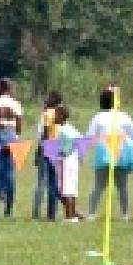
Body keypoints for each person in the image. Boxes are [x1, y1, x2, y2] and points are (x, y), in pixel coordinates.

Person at [86, 87, 133, 220]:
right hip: (122, 153)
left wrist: (89, 146)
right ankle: (124, 214)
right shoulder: (124, 116)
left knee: (99, 186)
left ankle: (91, 213)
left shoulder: (98, 117)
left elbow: (90, 136)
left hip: (103, 153)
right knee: (122, 186)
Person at [0, 79, 23, 218]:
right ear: (10, 88)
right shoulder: (16, 104)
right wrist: (15, 137)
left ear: (0, 88)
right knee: (10, 174)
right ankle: (8, 210)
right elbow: (19, 124)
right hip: (12, 136)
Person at [32, 91, 62, 221]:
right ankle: (52, 213)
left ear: (53, 101)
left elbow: (44, 133)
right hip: (56, 148)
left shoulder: (47, 114)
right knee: (53, 182)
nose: (45, 100)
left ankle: (36, 212)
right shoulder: (60, 115)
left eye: (48, 98)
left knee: (41, 182)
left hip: (46, 147)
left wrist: (40, 150)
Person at [54, 105, 83, 222]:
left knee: (66, 190)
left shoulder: (62, 130)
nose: (54, 117)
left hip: (66, 162)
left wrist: (58, 154)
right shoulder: (72, 128)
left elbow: (65, 149)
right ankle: (74, 214)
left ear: (61, 116)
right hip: (74, 161)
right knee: (71, 190)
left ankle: (70, 216)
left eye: (56, 115)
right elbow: (81, 141)